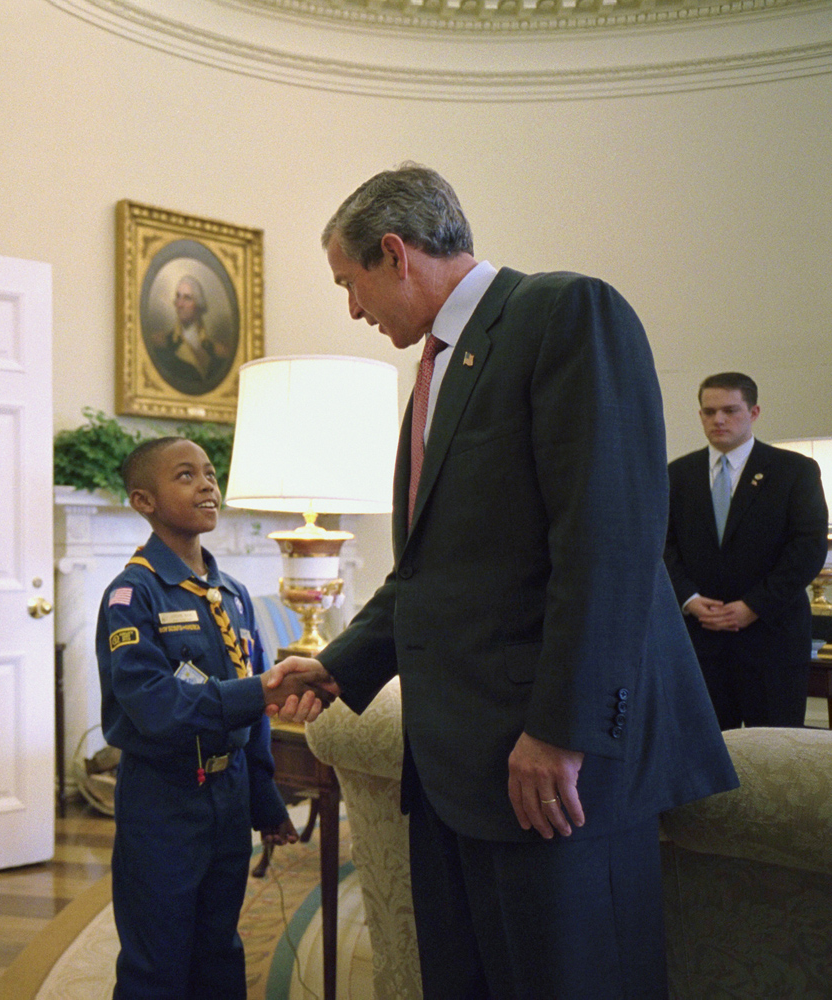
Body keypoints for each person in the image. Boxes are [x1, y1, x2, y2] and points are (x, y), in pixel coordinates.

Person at [269, 163, 737, 998]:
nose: (352, 308)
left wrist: (562, 730)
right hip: (458, 769)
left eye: (349, 284)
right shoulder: (435, 371)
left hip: (552, 769)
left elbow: (612, 541)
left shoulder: (563, 313)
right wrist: (341, 662)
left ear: (395, 254)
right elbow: (435, 568)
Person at [96, 435, 322, 1000]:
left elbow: (258, 711)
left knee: (219, 947)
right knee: (157, 961)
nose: (207, 485)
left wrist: (264, 795)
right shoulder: (133, 596)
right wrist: (259, 691)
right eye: (185, 475)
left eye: (210, 473)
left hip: (227, 795)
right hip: (164, 802)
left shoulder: (233, 595)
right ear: (144, 502)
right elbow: (156, 707)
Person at [663, 372, 827, 729]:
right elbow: (663, 547)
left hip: (772, 638)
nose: (718, 420)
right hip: (700, 639)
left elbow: (809, 546)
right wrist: (688, 598)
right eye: (708, 412)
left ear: (753, 413)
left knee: (774, 756)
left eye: (729, 410)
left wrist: (754, 605)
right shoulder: (676, 475)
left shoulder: (793, 471)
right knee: (705, 754)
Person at [146, 274, 235, 396]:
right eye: (178, 297)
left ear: (198, 305)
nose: (180, 304)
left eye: (187, 298)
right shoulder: (162, 343)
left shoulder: (216, 350)